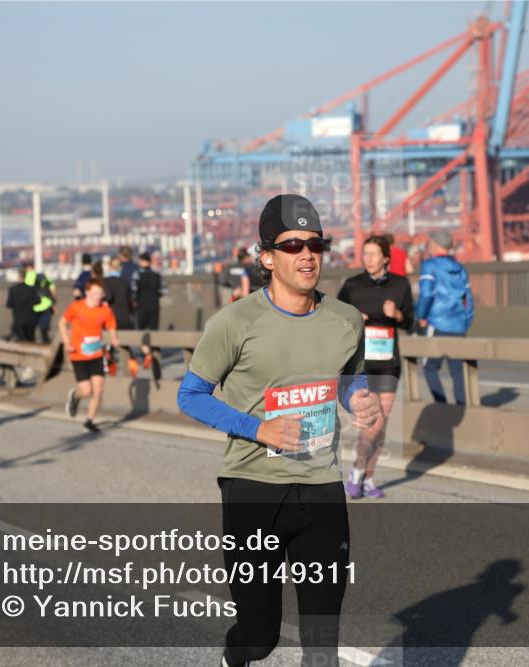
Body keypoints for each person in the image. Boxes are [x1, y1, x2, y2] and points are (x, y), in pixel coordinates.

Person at [176, 194, 380, 667]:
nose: (307, 255)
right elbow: (191, 395)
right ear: (267, 256)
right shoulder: (234, 322)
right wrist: (257, 429)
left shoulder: (346, 319)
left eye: (315, 244)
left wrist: (358, 398)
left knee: (322, 642)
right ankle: (235, 656)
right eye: (292, 246)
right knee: (260, 636)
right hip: (253, 490)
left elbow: (349, 377)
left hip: (321, 487)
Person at [337, 234, 414, 499]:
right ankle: (357, 470)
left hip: (389, 364)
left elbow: (411, 324)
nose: (367, 259)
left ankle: (368, 478)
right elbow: (335, 318)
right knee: (373, 421)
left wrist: (398, 315)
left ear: (385, 258)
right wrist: (354, 319)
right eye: (364, 253)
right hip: (362, 364)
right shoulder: (352, 286)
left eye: (372, 254)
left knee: (381, 425)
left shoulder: (400, 285)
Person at [416, 229, 474, 405]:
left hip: (437, 323)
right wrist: (466, 321)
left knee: (429, 368)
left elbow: (426, 294)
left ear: (435, 245)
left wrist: (421, 315)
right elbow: (468, 299)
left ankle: (441, 406)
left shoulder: (429, 266)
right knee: (457, 370)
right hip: (458, 325)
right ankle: (461, 408)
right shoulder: (460, 268)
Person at [60, 279, 120, 433]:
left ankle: (89, 420)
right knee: (86, 390)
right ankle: (76, 396)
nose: (97, 297)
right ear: (87, 293)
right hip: (78, 355)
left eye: (100, 293)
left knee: (98, 389)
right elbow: (62, 322)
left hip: (96, 354)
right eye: (94, 293)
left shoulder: (105, 310)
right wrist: (67, 342)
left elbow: (111, 325)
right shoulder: (76, 307)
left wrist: (114, 338)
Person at [6, 265, 41, 342]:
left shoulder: (12, 290)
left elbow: (9, 304)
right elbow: (38, 302)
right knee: (31, 340)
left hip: (18, 320)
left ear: (18, 277)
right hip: (31, 319)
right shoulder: (32, 289)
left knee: (21, 341)